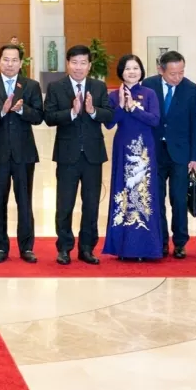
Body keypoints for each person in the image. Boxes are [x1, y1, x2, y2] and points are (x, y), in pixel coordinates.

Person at [0, 43, 43, 263]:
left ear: (21, 63)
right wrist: (1, 111)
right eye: (6, 59)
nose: (10, 64)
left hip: (24, 153)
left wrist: (22, 109)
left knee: (24, 201)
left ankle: (27, 247)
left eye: (14, 60)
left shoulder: (31, 86)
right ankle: (1, 246)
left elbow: (39, 116)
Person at [44, 44, 113, 265]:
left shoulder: (99, 87)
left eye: (83, 63)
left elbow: (108, 115)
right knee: (64, 204)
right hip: (67, 155)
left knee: (91, 204)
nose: (78, 67)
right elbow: (49, 117)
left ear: (90, 65)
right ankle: (64, 248)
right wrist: (72, 112)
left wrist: (92, 111)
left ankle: (87, 248)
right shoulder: (56, 87)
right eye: (74, 62)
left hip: (93, 155)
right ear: (68, 63)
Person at [102, 54, 163, 260]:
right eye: (127, 68)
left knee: (144, 195)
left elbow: (154, 120)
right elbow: (109, 123)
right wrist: (120, 105)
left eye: (135, 68)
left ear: (141, 71)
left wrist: (133, 108)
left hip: (144, 150)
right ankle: (123, 247)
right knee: (124, 193)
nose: (132, 72)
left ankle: (146, 247)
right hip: (123, 148)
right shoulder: (113, 95)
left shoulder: (149, 93)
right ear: (121, 72)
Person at [143, 51, 196, 259]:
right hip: (154, 153)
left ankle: (180, 242)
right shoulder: (148, 85)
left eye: (181, 72)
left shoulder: (191, 89)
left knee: (178, 199)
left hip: (181, 155)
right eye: (172, 74)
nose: (177, 77)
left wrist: (195, 156)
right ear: (161, 70)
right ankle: (160, 241)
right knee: (156, 199)